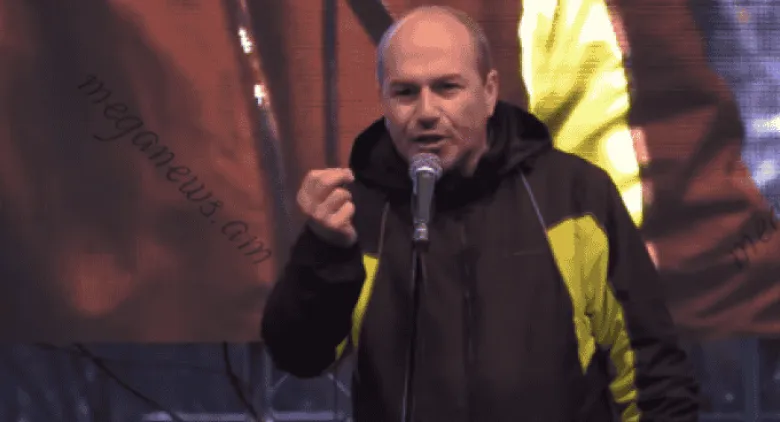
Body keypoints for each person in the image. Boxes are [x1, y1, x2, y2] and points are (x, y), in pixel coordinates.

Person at [261, 5, 700, 421]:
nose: (426, 112)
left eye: (447, 88)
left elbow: (648, 367)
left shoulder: (573, 194)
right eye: (405, 93)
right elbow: (299, 356)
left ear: (489, 93)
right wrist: (323, 254)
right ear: (384, 101)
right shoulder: (357, 212)